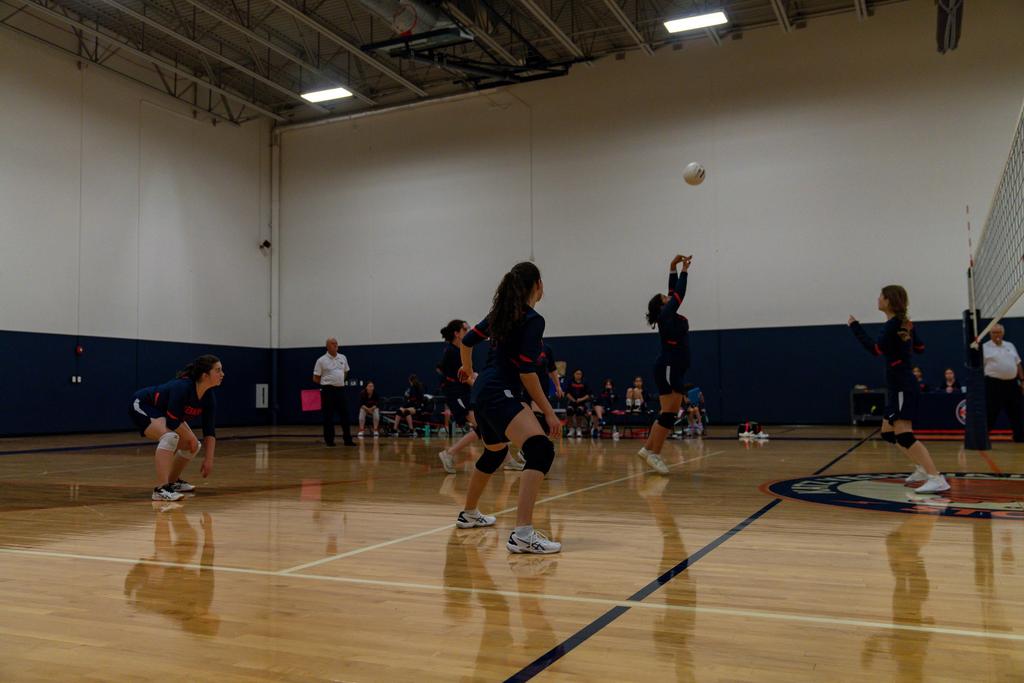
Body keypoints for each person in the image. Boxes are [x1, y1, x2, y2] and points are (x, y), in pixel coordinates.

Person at [455, 261, 562, 554]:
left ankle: (468, 513)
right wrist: (549, 412)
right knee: (540, 449)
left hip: (484, 390)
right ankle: (523, 534)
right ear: (538, 285)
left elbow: (466, 342)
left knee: (495, 452)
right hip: (499, 391)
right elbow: (527, 373)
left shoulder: (500, 314)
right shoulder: (533, 320)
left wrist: (469, 371)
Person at [849, 285, 949, 492]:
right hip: (898, 385)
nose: (878, 299)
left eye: (881, 296)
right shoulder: (903, 323)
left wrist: (855, 327)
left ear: (888, 300)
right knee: (888, 433)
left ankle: (936, 477)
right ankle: (922, 468)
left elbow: (875, 350)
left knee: (904, 434)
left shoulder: (893, 325)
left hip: (903, 386)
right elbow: (920, 348)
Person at [129, 355, 223, 501]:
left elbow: (209, 429)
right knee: (170, 437)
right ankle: (161, 489)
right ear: (205, 375)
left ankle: (172, 482)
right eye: (218, 370)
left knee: (193, 446)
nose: (222, 374)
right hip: (142, 404)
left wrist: (209, 459)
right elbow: (173, 421)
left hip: (164, 413)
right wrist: (190, 437)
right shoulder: (182, 387)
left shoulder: (208, 396)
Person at [637, 254, 693, 475]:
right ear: (662, 306)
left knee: (666, 412)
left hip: (670, 367)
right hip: (670, 367)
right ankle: (655, 454)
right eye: (665, 298)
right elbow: (679, 293)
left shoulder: (667, 313)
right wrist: (685, 271)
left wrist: (673, 267)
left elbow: (673, 292)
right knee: (669, 413)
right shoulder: (666, 315)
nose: (668, 296)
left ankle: (647, 449)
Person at [982, 324, 1024, 442]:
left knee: (1016, 410)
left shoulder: (1010, 345)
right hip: (993, 384)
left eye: (999, 332)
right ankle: (983, 436)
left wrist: (1022, 380)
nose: (997, 335)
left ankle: (1019, 436)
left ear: (1003, 333)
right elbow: (980, 367)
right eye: (994, 332)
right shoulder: (984, 347)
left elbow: (1018, 363)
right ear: (990, 334)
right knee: (991, 411)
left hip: (1012, 384)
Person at [313, 338, 355, 447]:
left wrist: (338, 381)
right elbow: (316, 378)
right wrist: (327, 382)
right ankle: (329, 441)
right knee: (328, 416)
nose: (336, 345)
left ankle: (348, 440)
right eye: (333, 343)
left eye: (336, 343)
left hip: (340, 389)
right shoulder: (321, 360)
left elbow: (345, 372)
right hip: (328, 391)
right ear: (327, 346)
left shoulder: (343, 357)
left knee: (345, 415)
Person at [437, 320, 474, 436]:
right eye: (465, 329)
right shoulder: (451, 351)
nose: (468, 331)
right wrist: (477, 384)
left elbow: (469, 373)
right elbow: (464, 376)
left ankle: (452, 450)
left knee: (482, 427)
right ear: (457, 333)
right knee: (480, 425)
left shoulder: (461, 350)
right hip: (455, 392)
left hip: (463, 390)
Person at [565, 369, 593, 438]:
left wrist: (581, 399)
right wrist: (573, 399)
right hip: (572, 402)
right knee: (569, 410)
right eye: (577, 374)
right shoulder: (570, 382)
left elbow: (588, 395)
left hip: (582, 403)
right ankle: (571, 429)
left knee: (579, 410)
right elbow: (567, 393)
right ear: (574, 374)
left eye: (580, 374)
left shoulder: (585, 383)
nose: (578, 375)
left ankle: (578, 429)